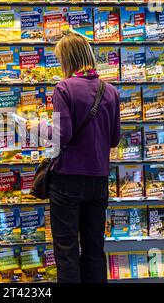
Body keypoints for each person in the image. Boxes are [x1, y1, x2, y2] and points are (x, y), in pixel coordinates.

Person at [49, 31, 121, 283]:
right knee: (94, 251)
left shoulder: (64, 88)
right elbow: (114, 139)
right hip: (98, 181)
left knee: (67, 252)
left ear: (67, 60)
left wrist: (33, 127)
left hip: (68, 181)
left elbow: (62, 135)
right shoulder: (109, 91)